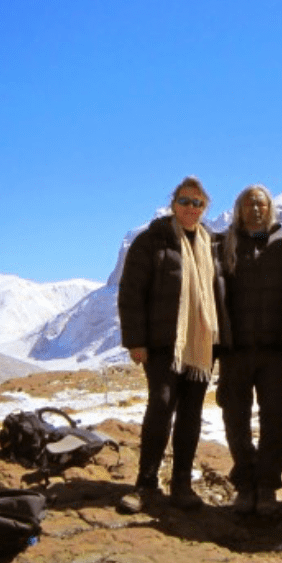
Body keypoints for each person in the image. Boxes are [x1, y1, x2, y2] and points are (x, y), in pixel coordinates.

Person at [116, 176, 220, 513]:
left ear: (205, 208)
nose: (191, 208)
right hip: (164, 344)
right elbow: (131, 293)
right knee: (161, 406)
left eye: (197, 203)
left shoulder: (211, 243)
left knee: (190, 414)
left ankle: (181, 485)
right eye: (185, 201)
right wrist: (135, 341)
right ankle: (146, 483)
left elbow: (221, 290)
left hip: (201, 345)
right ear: (173, 204)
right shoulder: (151, 240)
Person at [215, 185, 282, 515]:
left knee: (275, 418)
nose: (255, 209)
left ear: (270, 208)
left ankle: (267, 486)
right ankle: (244, 483)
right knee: (235, 418)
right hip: (236, 349)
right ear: (239, 209)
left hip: (275, 349)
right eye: (249, 204)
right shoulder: (224, 244)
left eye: (261, 204)